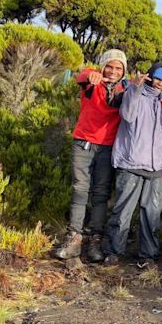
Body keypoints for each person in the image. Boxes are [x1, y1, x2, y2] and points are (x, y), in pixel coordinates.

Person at [55, 49, 128, 262]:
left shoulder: (126, 88)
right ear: (102, 66)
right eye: (109, 66)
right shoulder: (91, 81)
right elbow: (82, 75)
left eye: (118, 68)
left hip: (107, 147)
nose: (113, 71)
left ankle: (95, 239)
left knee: (101, 193)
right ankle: (74, 237)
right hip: (84, 143)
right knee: (79, 189)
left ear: (124, 71)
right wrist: (91, 76)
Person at [103, 66, 162, 267]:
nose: (160, 83)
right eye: (158, 79)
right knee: (123, 211)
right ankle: (113, 251)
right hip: (131, 162)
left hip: (156, 166)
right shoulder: (134, 92)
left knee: (151, 214)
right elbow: (127, 115)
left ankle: (148, 256)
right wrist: (135, 87)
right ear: (151, 77)